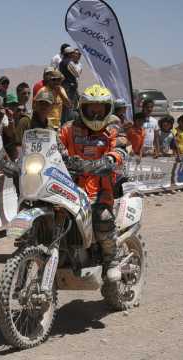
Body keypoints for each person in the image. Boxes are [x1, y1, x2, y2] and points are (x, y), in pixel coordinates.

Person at [59, 84, 125, 282]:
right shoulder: (69, 128)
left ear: (107, 110)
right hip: (69, 186)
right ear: (83, 108)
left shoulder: (112, 128)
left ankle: (112, 259)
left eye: (100, 108)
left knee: (102, 218)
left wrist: (112, 158)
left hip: (100, 187)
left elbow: (121, 147)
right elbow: (55, 141)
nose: (96, 113)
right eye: (91, 108)